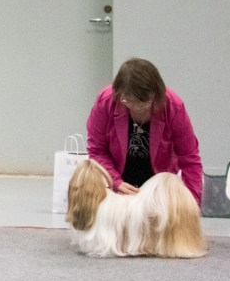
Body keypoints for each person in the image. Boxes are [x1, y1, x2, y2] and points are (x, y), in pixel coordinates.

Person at [86, 57, 202, 204]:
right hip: (118, 191)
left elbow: (189, 158)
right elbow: (97, 151)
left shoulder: (173, 106)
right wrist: (115, 181)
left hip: (159, 191)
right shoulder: (106, 101)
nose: (136, 108)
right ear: (119, 94)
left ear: (156, 94)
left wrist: (192, 203)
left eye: (143, 104)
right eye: (128, 101)